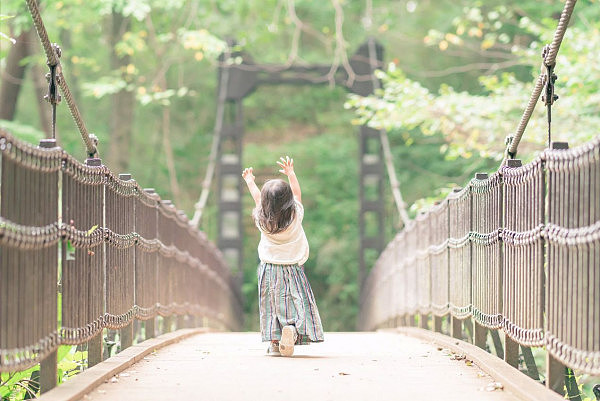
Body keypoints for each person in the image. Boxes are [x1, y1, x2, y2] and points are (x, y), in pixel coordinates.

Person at [242, 156, 324, 357]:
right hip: (293, 268)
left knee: (271, 305)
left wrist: (250, 181)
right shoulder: (296, 214)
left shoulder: (261, 219)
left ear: (265, 203)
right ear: (289, 202)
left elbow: (257, 198)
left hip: (269, 269)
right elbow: (297, 193)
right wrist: (291, 173)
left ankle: (275, 342)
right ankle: (293, 329)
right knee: (296, 300)